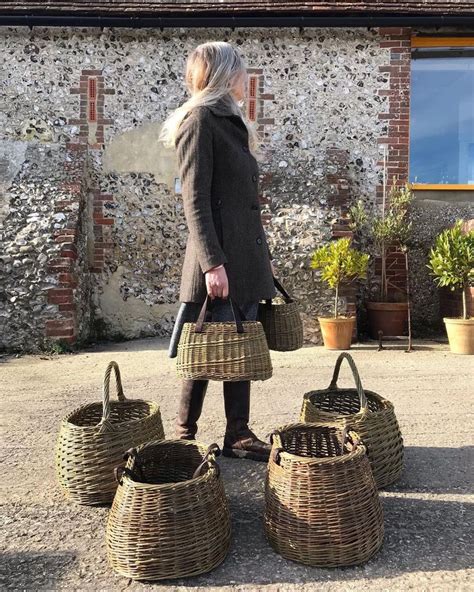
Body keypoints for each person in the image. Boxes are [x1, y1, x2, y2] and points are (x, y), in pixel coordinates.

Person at [160, 41, 276, 462]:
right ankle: (184, 436)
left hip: (243, 259)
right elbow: (195, 200)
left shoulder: (232, 123)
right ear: (226, 75)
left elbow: (243, 202)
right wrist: (213, 264)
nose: (246, 79)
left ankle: (238, 435)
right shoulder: (199, 121)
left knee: (237, 348)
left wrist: (261, 256)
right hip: (219, 262)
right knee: (203, 348)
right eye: (242, 71)